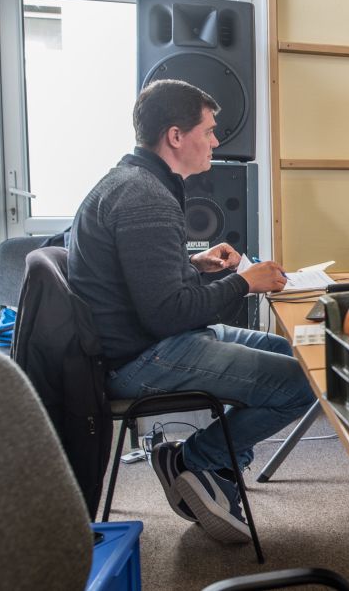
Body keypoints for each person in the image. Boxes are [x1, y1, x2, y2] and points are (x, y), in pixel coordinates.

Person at [68, 79, 315, 544]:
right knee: (304, 384)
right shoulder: (146, 198)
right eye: (209, 130)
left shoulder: (132, 182)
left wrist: (192, 265)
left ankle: (217, 471)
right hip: (141, 358)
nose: (217, 141)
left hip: (146, 342)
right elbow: (167, 314)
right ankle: (193, 461)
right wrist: (245, 282)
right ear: (176, 137)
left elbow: (138, 283)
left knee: (290, 353)